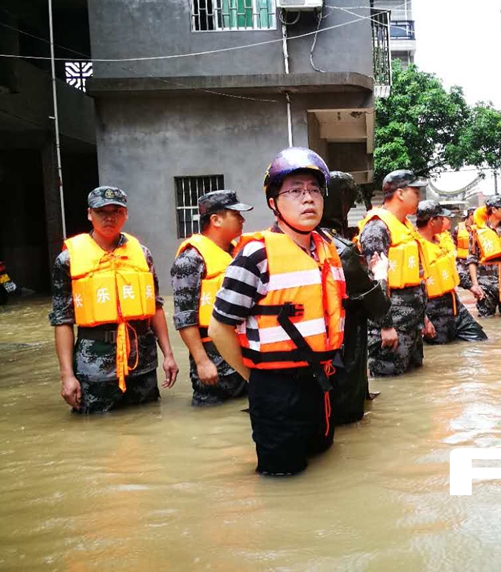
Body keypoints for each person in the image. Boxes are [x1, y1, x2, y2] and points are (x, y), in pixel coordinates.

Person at [208, 148, 346, 476]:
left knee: (324, 462)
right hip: (275, 389)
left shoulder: (328, 249)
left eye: (314, 190)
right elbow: (219, 328)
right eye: (295, 191)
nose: (308, 198)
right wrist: (254, 380)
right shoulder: (255, 255)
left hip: (321, 383)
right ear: (274, 202)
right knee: (283, 478)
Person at [49, 186, 179, 413]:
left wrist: (168, 355)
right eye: (102, 212)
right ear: (90, 214)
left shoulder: (142, 253)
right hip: (94, 364)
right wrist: (67, 376)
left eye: (116, 211)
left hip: (142, 362)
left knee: (147, 420)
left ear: (125, 214)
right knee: (97, 429)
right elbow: (63, 320)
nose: (109, 217)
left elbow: (155, 307)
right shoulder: (68, 259)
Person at [320, 171, 391, 424]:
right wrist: (380, 274)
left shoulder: (287, 245)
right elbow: (378, 306)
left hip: (302, 369)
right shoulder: (341, 250)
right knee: (347, 422)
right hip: (344, 357)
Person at [170, 190, 252, 406]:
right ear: (216, 219)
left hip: (246, 358)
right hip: (215, 363)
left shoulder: (238, 254)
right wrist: (202, 361)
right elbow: (184, 316)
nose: (242, 219)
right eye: (236, 214)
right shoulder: (190, 260)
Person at [357, 170, 435, 376]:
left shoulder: (405, 227)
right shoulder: (377, 227)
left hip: (412, 326)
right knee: (390, 380)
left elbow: (415, 277)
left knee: (413, 386)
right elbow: (374, 281)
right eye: (415, 191)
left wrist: (423, 317)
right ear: (400, 193)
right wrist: (385, 326)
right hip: (392, 329)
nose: (419, 196)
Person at [416, 200, 487, 344]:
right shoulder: (414, 246)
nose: (444, 221)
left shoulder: (441, 241)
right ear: (432, 221)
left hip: (455, 305)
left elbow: (450, 270)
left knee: (481, 340)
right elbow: (413, 288)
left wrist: (471, 286)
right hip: (433, 311)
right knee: (441, 350)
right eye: (441, 218)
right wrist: (423, 319)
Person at [452, 208, 475, 290]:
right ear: (470, 215)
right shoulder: (458, 228)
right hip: (462, 261)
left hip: (474, 260)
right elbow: (453, 243)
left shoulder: (479, 228)